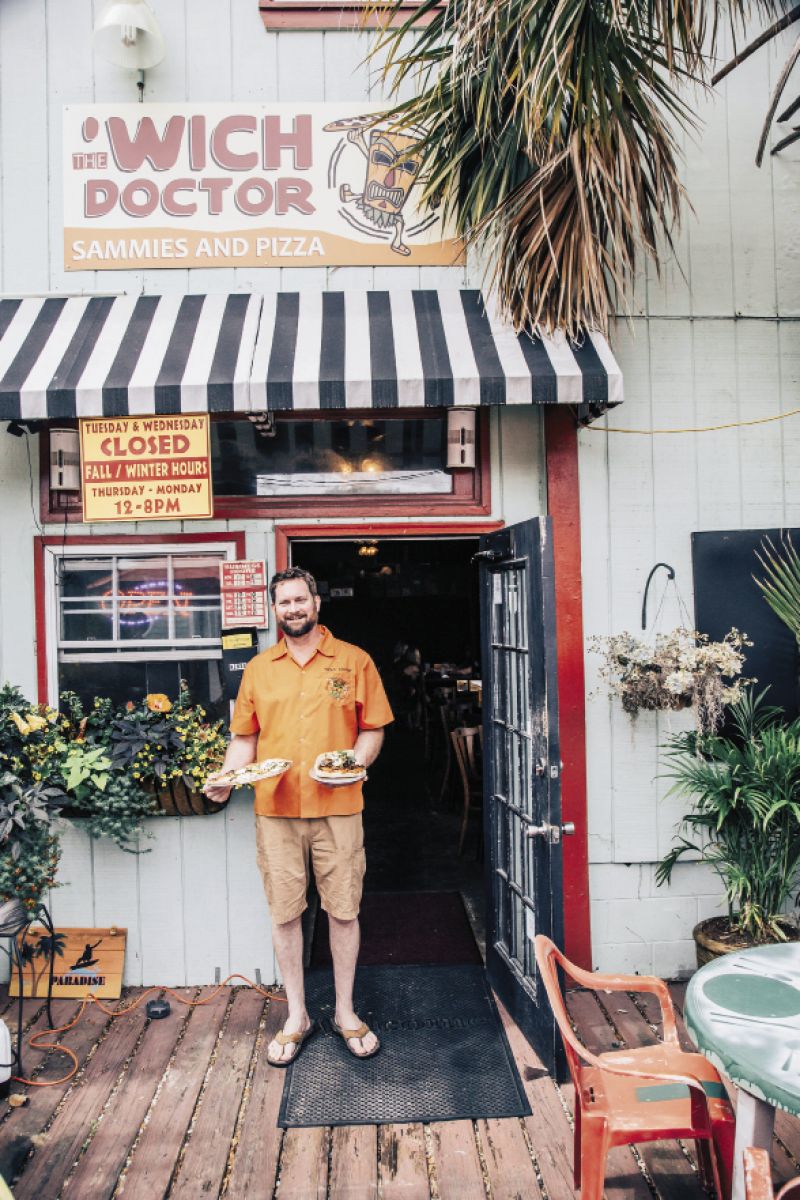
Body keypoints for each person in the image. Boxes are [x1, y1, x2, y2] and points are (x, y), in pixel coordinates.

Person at [204, 566, 393, 1067]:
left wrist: (354, 763)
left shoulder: (353, 660)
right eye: (284, 602)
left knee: (343, 910)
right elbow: (245, 738)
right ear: (275, 610)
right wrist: (226, 778)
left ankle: (346, 1012)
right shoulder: (259, 669)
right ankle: (297, 1016)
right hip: (277, 809)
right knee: (285, 913)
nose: (293, 609)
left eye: (300, 600)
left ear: (316, 603)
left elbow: (372, 728)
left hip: (339, 808)